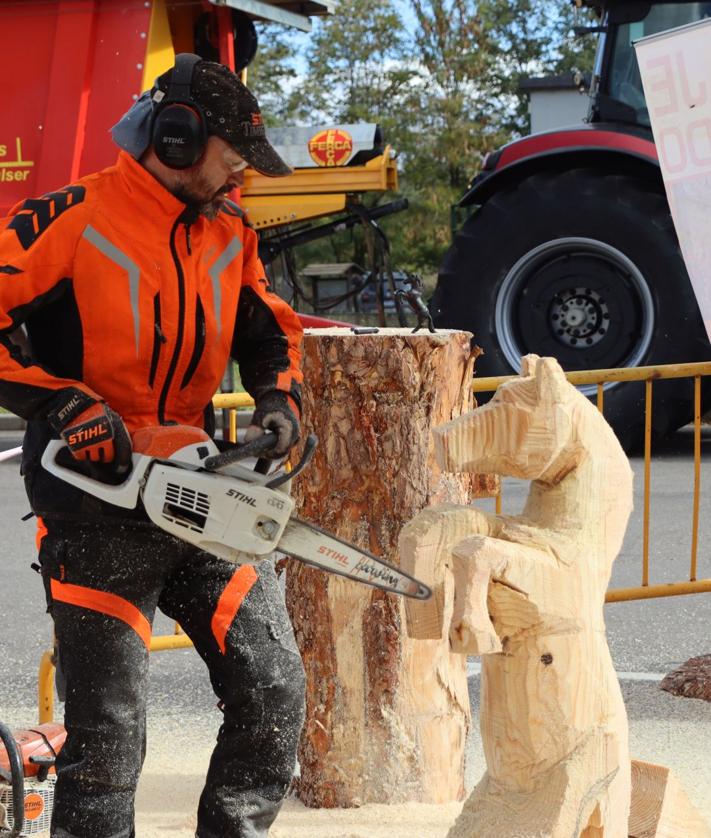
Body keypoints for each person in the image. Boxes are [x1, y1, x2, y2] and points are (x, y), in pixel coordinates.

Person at [0, 54, 306, 838]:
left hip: (198, 490)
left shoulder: (229, 231)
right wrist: (64, 403)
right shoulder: (71, 218)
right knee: (107, 731)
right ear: (175, 138)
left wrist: (279, 395)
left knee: (272, 693)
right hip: (92, 504)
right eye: (229, 159)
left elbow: (267, 325)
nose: (237, 178)